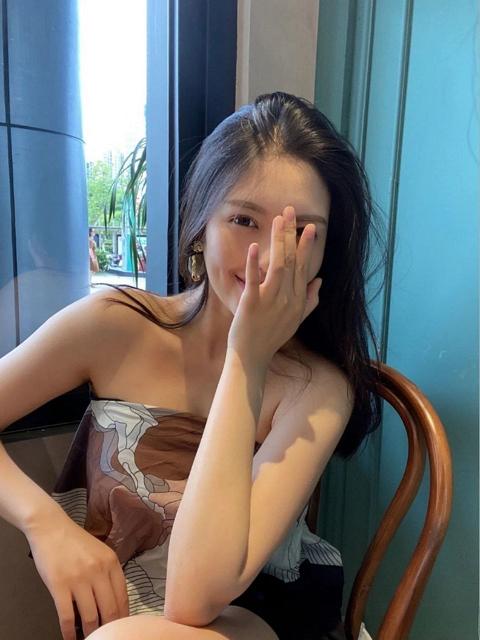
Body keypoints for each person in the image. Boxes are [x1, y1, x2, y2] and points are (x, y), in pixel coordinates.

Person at [0, 92, 385, 640]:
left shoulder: (317, 388)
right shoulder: (114, 325)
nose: (266, 258)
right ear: (201, 223)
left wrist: (247, 360)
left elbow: (194, 597)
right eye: (244, 220)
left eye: (300, 233)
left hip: (260, 613)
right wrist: (45, 525)